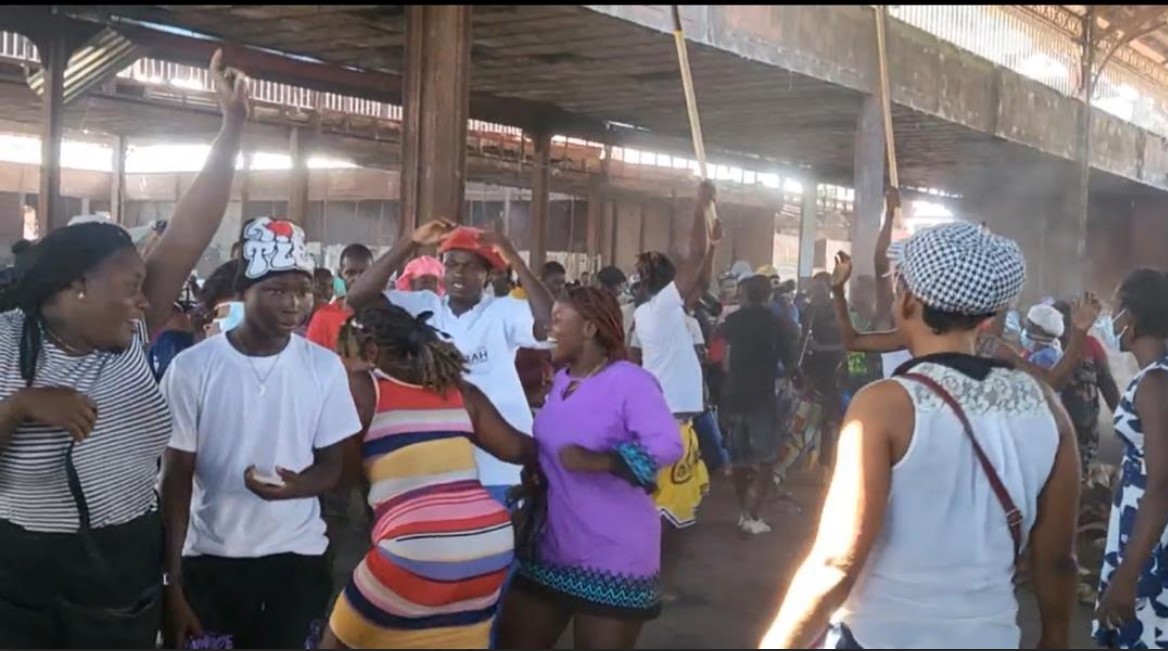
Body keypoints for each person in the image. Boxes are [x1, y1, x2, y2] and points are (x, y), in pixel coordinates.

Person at [0, 49, 249, 648]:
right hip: (30, 580)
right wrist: (21, 407)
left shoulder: (129, 337)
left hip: (128, 569)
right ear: (75, 287)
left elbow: (192, 227)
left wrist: (232, 128)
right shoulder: (7, 342)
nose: (147, 304)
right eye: (131, 287)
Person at [760, 222, 1080, 649]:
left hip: (882, 637)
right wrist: (1056, 640)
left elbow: (835, 563)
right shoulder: (1047, 407)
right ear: (988, 312)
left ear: (908, 299)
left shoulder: (884, 406)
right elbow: (1058, 561)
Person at [161, 218, 362, 649]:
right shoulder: (194, 368)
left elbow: (334, 466)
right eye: (277, 291)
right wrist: (171, 581)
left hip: (297, 560)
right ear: (243, 294)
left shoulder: (323, 368)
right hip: (210, 558)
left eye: (302, 291)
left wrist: (296, 488)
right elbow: (175, 478)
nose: (294, 303)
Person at [321, 299, 537, 649]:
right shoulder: (458, 392)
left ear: (369, 350)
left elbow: (340, 478)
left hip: (416, 546)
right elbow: (520, 450)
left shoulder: (363, 389)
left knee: (338, 641)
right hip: (489, 545)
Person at [496, 287, 682, 649]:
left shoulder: (629, 380)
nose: (550, 331)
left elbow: (667, 445)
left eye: (558, 321)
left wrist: (600, 461)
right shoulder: (564, 380)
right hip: (551, 549)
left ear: (589, 329)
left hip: (613, 557)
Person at [347, 222, 553, 510]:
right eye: (452, 264)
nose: (458, 273)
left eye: (470, 267)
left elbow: (550, 326)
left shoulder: (502, 311)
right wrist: (409, 242)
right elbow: (357, 300)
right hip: (440, 467)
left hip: (501, 464)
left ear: (488, 274)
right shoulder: (423, 306)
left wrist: (513, 257)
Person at [629, 180, 719, 602]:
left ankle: (648, 578)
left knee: (666, 508)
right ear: (667, 285)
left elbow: (698, 278)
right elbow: (693, 257)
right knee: (667, 511)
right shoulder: (660, 308)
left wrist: (713, 247)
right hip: (671, 424)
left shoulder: (657, 311)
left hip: (673, 420)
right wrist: (700, 206)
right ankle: (650, 581)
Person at [1093, 269, 1168, 649]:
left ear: (1132, 318)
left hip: (1149, 542)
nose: (1111, 318)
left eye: (1115, 308)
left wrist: (1127, 575)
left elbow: (1161, 483)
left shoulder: (1156, 382)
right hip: (1145, 531)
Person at [721, 274, 796, 534]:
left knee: (740, 458)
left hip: (734, 395)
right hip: (763, 397)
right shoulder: (779, 322)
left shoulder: (731, 320)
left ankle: (744, 511)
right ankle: (753, 515)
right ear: (768, 296)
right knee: (766, 458)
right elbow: (790, 363)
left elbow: (723, 360)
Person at [1050, 299, 1120, 473]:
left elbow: (1107, 383)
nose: (1063, 329)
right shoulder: (1044, 348)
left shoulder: (1091, 345)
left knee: (1080, 472)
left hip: (1085, 427)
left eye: (1067, 322)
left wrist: (1122, 417)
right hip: (1053, 427)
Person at [306, 244, 374, 353]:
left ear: (374, 273)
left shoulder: (386, 313)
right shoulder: (323, 318)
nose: (357, 278)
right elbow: (311, 363)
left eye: (364, 273)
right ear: (340, 274)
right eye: (350, 273)